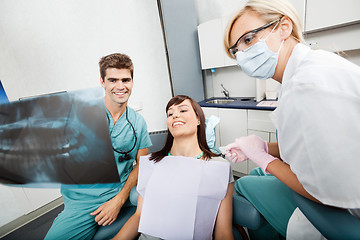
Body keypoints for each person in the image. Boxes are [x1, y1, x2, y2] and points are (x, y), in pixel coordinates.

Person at [222, 0, 360, 239]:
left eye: (247, 40)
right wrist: (264, 147)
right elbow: (314, 148)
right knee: (255, 175)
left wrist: (265, 159)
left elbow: (319, 190)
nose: (242, 55)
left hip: (343, 210)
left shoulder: (305, 86)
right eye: (236, 50)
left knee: (244, 184)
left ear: (284, 27)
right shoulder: (307, 70)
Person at [45, 53, 152, 240]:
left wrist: (118, 200)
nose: (120, 86)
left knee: (153, 201)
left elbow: (142, 164)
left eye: (125, 80)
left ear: (132, 82)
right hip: (84, 200)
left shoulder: (138, 122)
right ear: (102, 82)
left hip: (121, 191)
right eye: (113, 80)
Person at [112, 95, 234, 240]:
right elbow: (139, 217)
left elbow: (223, 233)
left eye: (183, 110)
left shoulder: (219, 168)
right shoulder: (152, 163)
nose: (175, 115)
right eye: (170, 114)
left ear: (198, 119)